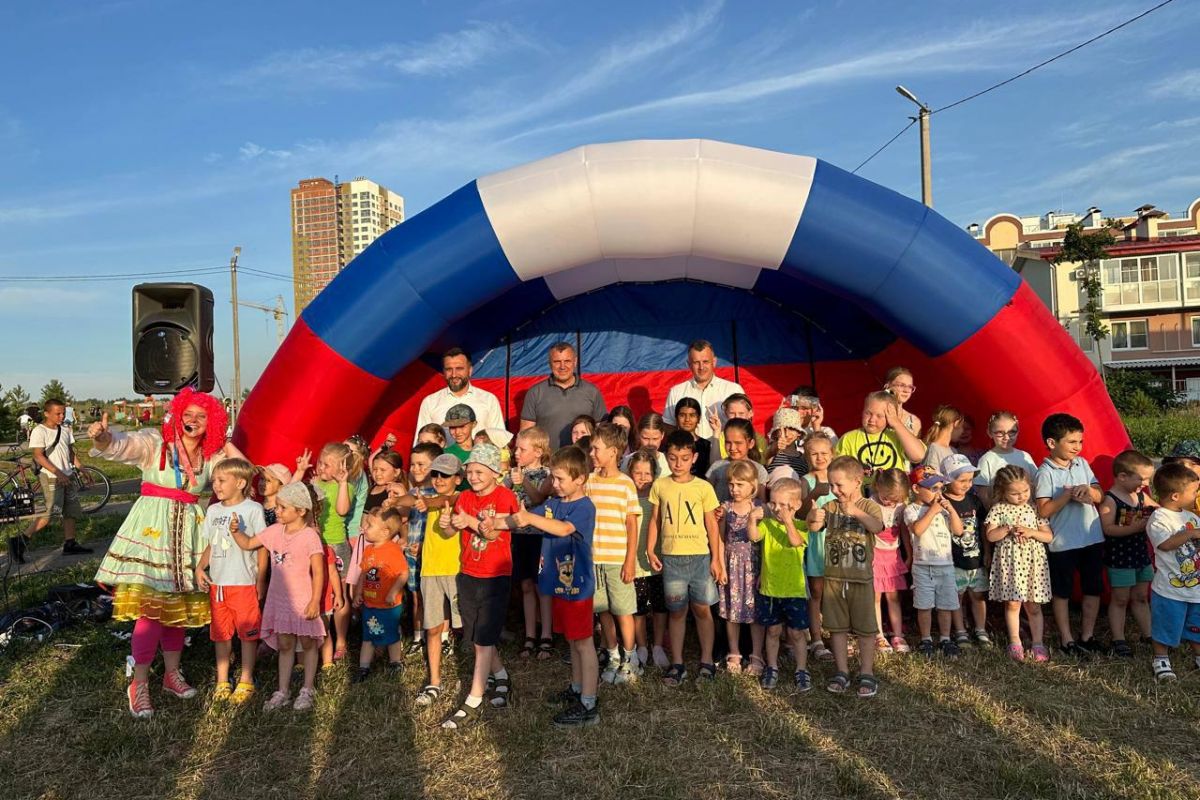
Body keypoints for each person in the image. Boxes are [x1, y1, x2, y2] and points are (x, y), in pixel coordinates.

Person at [89, 389, 242, 719]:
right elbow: (119, 446)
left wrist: (226, 443)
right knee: (151, 608)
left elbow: (242, 474)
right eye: (188, 414)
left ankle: (171, 675)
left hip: (188, 530)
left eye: (202, 417)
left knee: (178, 606)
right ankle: (140, 683)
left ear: (212, 423)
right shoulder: (155, 442)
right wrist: (103, 438)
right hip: (152, 529)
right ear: (178, 414)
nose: (193, 421)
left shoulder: (211, 456)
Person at [498, 446, 601, 728]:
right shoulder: (554, 503)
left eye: (559, 479)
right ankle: (577, 688)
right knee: (572, 639)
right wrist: (491, 523)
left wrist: (530, 518)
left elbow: (563, 529)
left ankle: (589, 703)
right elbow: (526, 517)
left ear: (579, 479)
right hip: (558, 584)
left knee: (583, 643)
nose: (553, 484)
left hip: (577, 587)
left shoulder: (584, 507)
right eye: (553, 479)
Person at [441, 443, 520, 730]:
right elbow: (452, 531)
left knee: (484, 639)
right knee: (476, 635)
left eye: (478, 471)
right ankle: (500, 675)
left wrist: (469, 521)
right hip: (468, 572)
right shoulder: (463, 497)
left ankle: (473, 699)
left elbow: (492, 530)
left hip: (495, 575)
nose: (472, 476)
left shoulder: (505, 496)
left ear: (494, 472)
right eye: (469, 471)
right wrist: (448, 523)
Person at [229, 481, 326, 711]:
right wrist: (236, 531)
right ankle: (282, 690)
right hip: (279, 600)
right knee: (285, 644)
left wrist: (314, 600)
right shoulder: (274, 532)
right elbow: (249, 543)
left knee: (308, 643)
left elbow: (319, 571)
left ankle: (307, 688)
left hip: (303, 599)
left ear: (301, 511)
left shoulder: (310, 536)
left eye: (283, 508)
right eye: (278, 507)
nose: (277, 511)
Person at [646, 430, 723, 686]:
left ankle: (707, 660)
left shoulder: (703, 487)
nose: (678, 464)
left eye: (684, 458)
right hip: (671, 558)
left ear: (695, 458)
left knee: (702, 609)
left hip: (700, 557)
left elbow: (712, 526)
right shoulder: (660, 485)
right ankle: (677, 663)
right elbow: (655, 520)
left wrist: (716, 558)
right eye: (672, 458)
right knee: (676, 611)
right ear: (666, 458)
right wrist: (650, 548)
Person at [807, 455, 884, 697]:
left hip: (861, 579)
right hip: (834, 579)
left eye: (839, 485)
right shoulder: (830, 507)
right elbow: (813, 526)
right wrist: (813, 518)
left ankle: (867, 672)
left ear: (857, 481)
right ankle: (841, 671)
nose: (834, 490)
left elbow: (877, 527)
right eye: (831, 485)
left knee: (865, 628)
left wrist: (855, 512)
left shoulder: (869, 506)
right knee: (837, 628)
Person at [193, 458, 267, 704]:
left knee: (248, 633)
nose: (216, 485)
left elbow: (262, 547)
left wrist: (261, 580)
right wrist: (200, 567)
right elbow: (211, 544)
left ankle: (246, 679)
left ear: (241, 482)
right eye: (214, 480)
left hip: (244, 583)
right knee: (221, 634)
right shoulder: (213, 510)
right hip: (219, 585)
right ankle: (222, 680)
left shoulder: (253, 510)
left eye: (222, 480)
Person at [1035, 413, 1104, 659]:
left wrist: (1090, 492)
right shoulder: (1045, 472)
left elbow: (1099, 493)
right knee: (1062, 592)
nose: (1078, 447)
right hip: (1062, 543)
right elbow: (1043, 509)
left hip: (1092, 538)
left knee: (1093, 588)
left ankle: (1087, 635)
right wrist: (1066, 496)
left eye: (1080, 442)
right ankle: (1067, 639)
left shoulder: (1082, 464)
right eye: (1072, 442)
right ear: (1052, 443)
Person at [586, 423, 642, 684]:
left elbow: (632, 524)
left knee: (622, 610)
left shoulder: (625, 485)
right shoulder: (588, 481)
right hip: (593, 558)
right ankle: (612, 656)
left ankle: (631, 659)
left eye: (596, 448)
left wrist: (630, 560)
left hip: (617, 559)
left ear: (613, 451)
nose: (592, 453)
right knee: (603, 610)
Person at [985, 465, 1053, 662]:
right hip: (1011, 563)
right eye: (1015, 493)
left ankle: (1038, 643)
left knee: (1034, 605)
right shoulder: (998, 509)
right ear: (1002, 491)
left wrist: (1031, 532)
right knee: (1013, 604)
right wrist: (1006, 529)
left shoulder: (1034, 508)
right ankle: (1015, 641)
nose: (1021, 496)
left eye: (1025, 491)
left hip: (1033, 563)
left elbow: (1048, 536)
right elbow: (990, 536)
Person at [750, 477, 810, 690]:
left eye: (783, 505)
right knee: (773, 631)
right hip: (770, 589)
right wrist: (752, 519)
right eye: (773, 503)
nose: (777, 509)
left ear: (796, 505)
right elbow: (754, 536)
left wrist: (788, 521)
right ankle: (772, 666)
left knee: (796, 633)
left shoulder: (802, 526)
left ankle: (801, 669)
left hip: (794, 590)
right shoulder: (767, 524)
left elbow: (795, 541)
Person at [415, 453, 464, 707]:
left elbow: (445, 499)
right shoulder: (428, 496)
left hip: (455, 569)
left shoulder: (459, 497)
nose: (438, 479)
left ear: (458, 478)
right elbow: (412, 499)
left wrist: (426, 501)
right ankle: (434, 681)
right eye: (435, 474)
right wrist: (395, 501)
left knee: (466, 626)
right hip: (430, 570)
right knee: (432, 627)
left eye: (445, 475)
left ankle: (476, 676)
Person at [1098, 450, 1157, 659]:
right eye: (1142, 479)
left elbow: (1158, 508)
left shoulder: (1141, 495)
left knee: (1141, 596)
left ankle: (1149, 634)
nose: (1145, 483)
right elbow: (1108, 529)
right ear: (1122, 476)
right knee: (1120, 599)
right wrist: (1135, 528)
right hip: (1120, 558)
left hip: (1140, 555)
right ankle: (1118, 638)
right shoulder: (1110, 500)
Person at [16, 398, 91, 561]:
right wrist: (58, 473)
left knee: (70, 511)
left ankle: (70, 544)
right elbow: (38, 456)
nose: (61, 416)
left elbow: (70, 452)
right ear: (46, 413)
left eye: (63, 413)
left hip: (68, 475)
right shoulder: (40, 431)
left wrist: (82, 468)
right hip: (52, 477)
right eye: (57, 413)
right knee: (50, 514)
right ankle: (19, 542)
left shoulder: (65, 429)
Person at [1145, 462, 1200, 682]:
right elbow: (1165, 544)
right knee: (1166, 624)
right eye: (1194, 491)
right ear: (1175, 496)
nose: (1197, 494)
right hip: (1169, 589)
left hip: (1195, 587)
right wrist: (1191, 534)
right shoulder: (1159, 519)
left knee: (1197, 624)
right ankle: (1160, 658)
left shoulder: (1192, 517)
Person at [905, 465, 963, 659]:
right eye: (933, 488)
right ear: (916, 489)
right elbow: (918, 530)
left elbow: (958, 530)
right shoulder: (911, 509)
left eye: (940, 488)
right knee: (925, 605)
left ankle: (945, 638)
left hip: (945, 565)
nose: (938, 493)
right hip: (923, 566)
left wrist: (950, 510)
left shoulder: (944, 509)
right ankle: (926, 639)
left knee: (946, 605)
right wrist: (933, 511)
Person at [505, 427, 553, 660]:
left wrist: (523, 481)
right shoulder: (509, 475)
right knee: (525, 585)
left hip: (540, 536)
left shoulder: (548, 475)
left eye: (522, 449)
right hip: (518, 536)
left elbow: (538, 499)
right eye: (516, 448)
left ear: (538, 451)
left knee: (541, 586)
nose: (516, 453)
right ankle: (530, 634)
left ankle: (546, 634)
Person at [310, 441, 359, 664]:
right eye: (321, 463)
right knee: (319, 589)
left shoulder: (346, 487)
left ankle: (341, 640)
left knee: (340, 593)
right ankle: (322, 635)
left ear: (341, 468)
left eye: (327, 465)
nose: (321, 468)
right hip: (314, 544)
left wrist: (342, 484)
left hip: (336, 544)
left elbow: (342, 510)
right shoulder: (314, 483)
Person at [717, 460, 765, 676]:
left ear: (752, 485)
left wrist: (764, 571)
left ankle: (756, 654)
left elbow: (765, 544)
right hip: (731, 565)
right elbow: (720, 538)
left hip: (753, 567)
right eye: (732, 484)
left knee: (755, 612)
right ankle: (734, 651)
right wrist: (719, 564)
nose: (734, 489)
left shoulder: (760, 509)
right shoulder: (725, 508)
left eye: (740, 484)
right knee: (731, 611)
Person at [351, 508, 409, 683]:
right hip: (370, 603)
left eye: (369, 525)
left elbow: (403, 573)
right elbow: (363, 573)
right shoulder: (368, 550)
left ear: (385, 532)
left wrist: (393, 592)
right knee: (368, 635)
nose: (364, 527)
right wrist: (358, 592)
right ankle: (363, 667)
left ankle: (395, 662)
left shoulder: (392, 550)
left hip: (389, 605)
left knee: (391, 635)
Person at [626, 448, 668, 670]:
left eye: (647, 474)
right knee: (639, 607)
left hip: (657, 560)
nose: (642, 478)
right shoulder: (627, 498)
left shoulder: (658, 498)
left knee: (660, 606)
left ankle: (658, 645)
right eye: (638, 473)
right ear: (630, 472)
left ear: (655, 475)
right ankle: (642, 645)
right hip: (635, 562)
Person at [941, 454, 990, 647]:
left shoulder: (974, 500)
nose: (966, 484)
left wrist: (987, 552)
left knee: (978, 595)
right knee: (957, 597)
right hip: (953, 560)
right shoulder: (942, 502)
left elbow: (983, 528)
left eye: (970, 480)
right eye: (961, 480)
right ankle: (960, 630)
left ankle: (980, 628)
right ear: (947, 480)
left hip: (975, 558)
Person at [520, 341, 607, 448]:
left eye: (567, 361)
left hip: (583, 462)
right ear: (549, 363)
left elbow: (602, 434)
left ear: (575, 362)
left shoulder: (592, 392)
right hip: (547, 462)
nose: (562, 366)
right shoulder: (535, 393)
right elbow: (526, 435)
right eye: (557, 361)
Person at [798, 431, 837, 662]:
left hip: (836, 541)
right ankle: (816, 639)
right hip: (815, 542)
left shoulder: (839, 478)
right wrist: (814, 493)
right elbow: (800, 513)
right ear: (807, 456)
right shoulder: (805, 480)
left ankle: (836, 634)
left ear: (832, 454)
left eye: (824, 453)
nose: (820, 458)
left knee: (835, 592)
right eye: (814, 453)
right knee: (816, 591)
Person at [412, 347, 505, 444]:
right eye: (449, 369)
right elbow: (420, 444)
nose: (454, 375)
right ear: (443, 372)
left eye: (459, 369)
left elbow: (500, 440)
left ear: (470, 370)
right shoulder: (430, 402)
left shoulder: (489, 400)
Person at [835, 391, 926, 485]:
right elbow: (838, 470)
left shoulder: (897, 437)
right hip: (861, 496)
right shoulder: (848, 439)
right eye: (868, 413)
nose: (872, 419)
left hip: (893, 494)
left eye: (879, 416)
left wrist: (896, 423)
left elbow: (918, 456)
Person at [662, 339, 745, 440]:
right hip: (689, 454)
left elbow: (744, 425)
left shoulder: (733, 390)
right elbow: (669, 426)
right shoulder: (676, 392)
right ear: (689, 364)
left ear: (714, 362)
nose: (701, 367)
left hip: (724, 454)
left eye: (705, 362)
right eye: (696, 362)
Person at [870, 468, 911, 654]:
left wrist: (908, 553)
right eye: (887, 498)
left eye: (895, 500)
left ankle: (897, 633)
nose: (891, 503)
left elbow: (902, 530)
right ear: (878, 486)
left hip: (893, 555)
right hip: (875, 555)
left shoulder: (901, 506)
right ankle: (878, 635)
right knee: (875, 596)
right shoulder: (870, 504)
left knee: (893, 596)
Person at [974, 411, 1037, 508]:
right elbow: (983, 494)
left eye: (1012, 432)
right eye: (1000, 433)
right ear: (990, 433)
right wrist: (994, 515)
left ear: (1018, 431)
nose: (1006, 437)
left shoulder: (1025, 456)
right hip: (1002, 517)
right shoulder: (987, 459)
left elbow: (1036, 484)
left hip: (1028, 515)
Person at [706, 418, 769, 502]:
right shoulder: (717, 467)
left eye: (738, 443)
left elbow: (762, 502)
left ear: (751, 444)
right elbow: (706, 497)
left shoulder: (758, 470)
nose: (732, 448)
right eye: (728, 442)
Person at [710, 393, 768, 461]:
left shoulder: (760, 440)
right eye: (732, 413)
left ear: (750, 413)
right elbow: (715, 466)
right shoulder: (718, 438)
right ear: (726, 413)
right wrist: (716, 432)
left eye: (741, 413)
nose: (736, 417)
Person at [672, 398, 712, 476]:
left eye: (692, 415)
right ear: (676, 417)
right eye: (682, 415)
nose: (687, 419)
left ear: (698, 418)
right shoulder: (670, 443)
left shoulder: (706, 445)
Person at [622, 412, 669, 477]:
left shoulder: (668, 462)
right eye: (645, 438)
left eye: (655, 439)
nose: (650, 444)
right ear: (638, 434)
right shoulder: (628, 461)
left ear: (662, 435)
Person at [883, 367, 922, 436]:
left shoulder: (914, 422)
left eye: (910, 387)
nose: (906, 391)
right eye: (901, 385)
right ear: (887, 386)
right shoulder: (875, 412)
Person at [922, 405, 963, 469]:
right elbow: (929, 476)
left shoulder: (954, 450)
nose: (962, 431)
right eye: (962, 426)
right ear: (956, 424)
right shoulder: (934, 448)